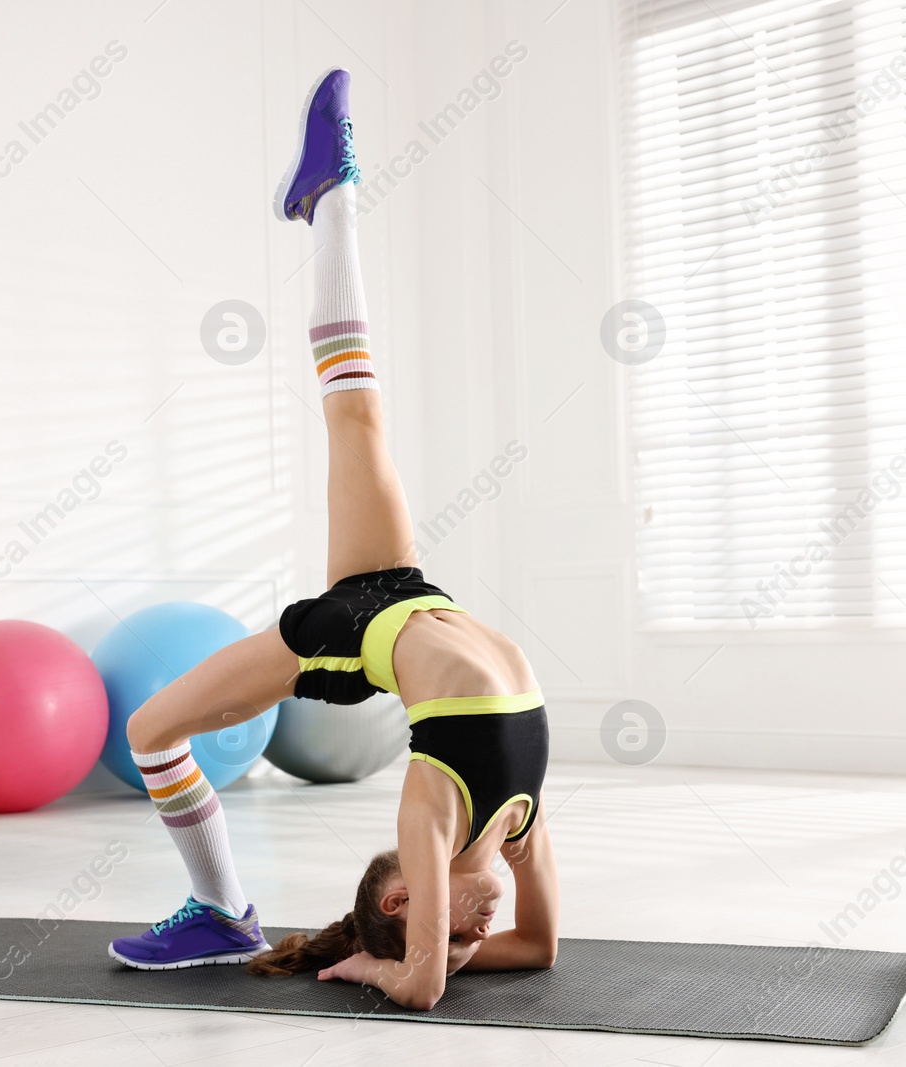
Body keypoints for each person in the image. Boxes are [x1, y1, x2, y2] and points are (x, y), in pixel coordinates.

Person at [107, 68, 557, 1010]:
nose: (483, 929)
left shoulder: (435, 814)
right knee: (356, 412)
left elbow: (424, 985)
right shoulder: (517, 824)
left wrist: (376, 961)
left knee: (151, 732)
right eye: (473, 929)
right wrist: (450, 946)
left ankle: (223, 907)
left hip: (348, 631)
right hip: (401, 596)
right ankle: (333, 199)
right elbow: (540, 949)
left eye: (459, 924)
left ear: (402, 895)